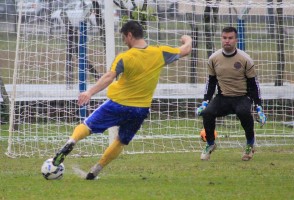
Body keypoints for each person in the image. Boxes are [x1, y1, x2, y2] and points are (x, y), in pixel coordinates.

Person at [52, 20, 192, 180]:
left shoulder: (125, 57)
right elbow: (186, 50)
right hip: (140, 110)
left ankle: (71, 141)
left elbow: (109, 77)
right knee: (121, 141)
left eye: (124, 38)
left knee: (87, 126)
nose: (124, 42)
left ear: (130, 35)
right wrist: (187, 39)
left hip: (118, 104)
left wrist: (89, 92)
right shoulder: (160, 53)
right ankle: (95, 170)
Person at [197, 26, 266, 161]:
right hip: (223, 97)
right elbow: (211, 83)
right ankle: (210, 144)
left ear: (236, 40)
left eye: (230, 38)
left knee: (243, 112)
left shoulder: (245, 59)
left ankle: (250, 144)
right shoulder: (213, 58)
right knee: (207, 113)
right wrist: (205, 102)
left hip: (242, 97)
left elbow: (253, 84)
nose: (227, 41)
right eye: (224, 38)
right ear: (221, 39)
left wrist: (259, 106)